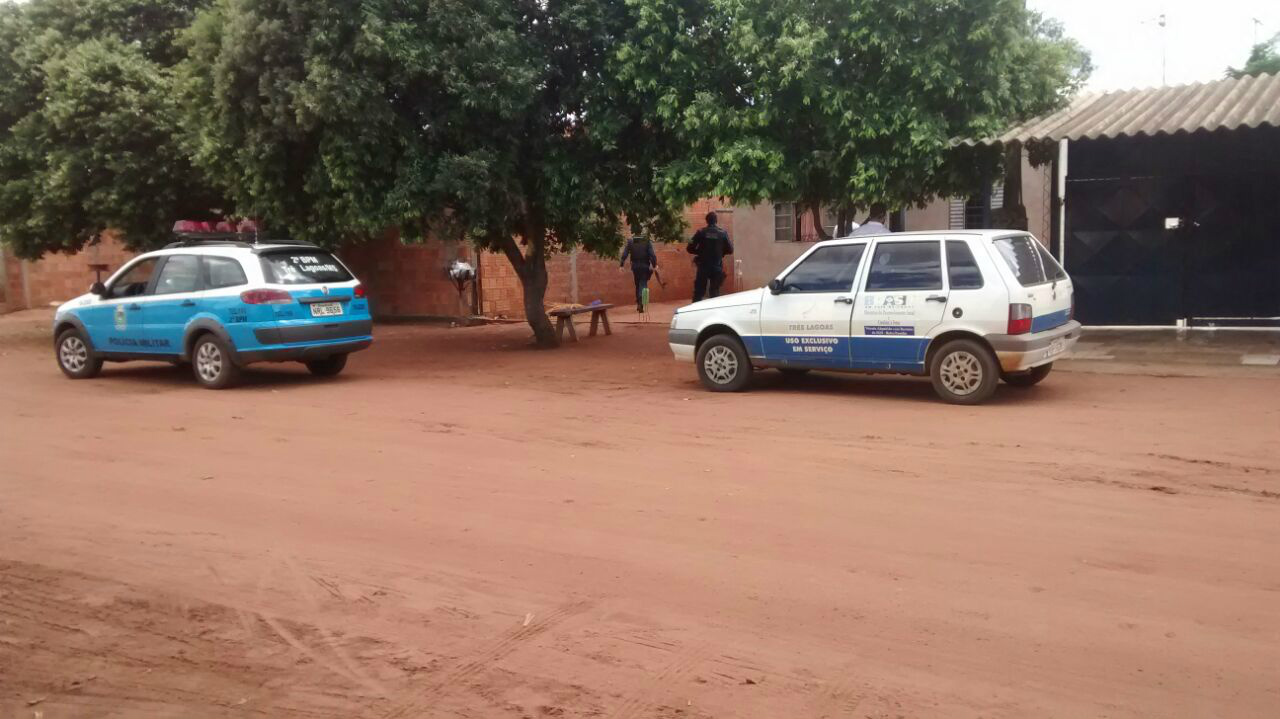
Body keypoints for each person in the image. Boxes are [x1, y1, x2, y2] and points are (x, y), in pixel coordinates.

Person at [688, 212, 734, 302]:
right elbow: (730, 250)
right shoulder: (723, 233)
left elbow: (689, 248)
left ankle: (695, 309)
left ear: (707, 221)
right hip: (717, 266)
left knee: (698, 293)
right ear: (716, 220)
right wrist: (721, 253)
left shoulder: (701, 232)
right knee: (715, 293)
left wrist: (700, 252)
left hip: (703, 267)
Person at [620, 234, 658, 313]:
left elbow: (625, 254)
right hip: (644, 266)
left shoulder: (630, 241)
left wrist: (621, 265)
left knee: (637, 285)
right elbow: (652, 255)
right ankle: (642, 302)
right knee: (643, 284)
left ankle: (638, 303)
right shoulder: (647, 241)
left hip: (635, 267)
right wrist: (654, 265)